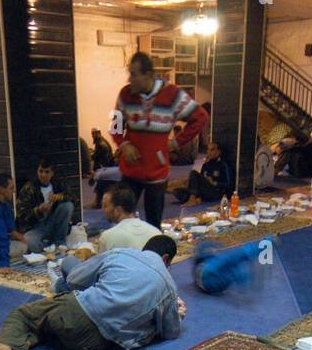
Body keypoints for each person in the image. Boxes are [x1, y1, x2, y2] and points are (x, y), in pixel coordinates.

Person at [0, 236, 184, 350]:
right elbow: (171, 331)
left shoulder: (122, 254)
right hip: (95, 343)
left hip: (77, 312)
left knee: (24, 315)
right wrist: (177, 314)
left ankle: (6, 345)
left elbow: (75, 279)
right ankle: (15, 344)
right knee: (46, 328)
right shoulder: (169, 287)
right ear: (166, 259)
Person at [112, 52, 209, 227]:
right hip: (130, 170)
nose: (129, 79)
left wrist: (176, 142)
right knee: (121, 218)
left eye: (133, 74)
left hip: (157, 173)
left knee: (153, 222)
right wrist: (124, 144)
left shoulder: (173, 95)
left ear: (148, 75)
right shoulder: (125, 95)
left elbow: (201, 117)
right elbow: (115, 126)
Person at [15, 159, 74, 251]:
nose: (43, 175)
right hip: (36, 227)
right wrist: (38, 210)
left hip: (53, 222)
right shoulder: (28, 188)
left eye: (47, 172)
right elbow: (21, 215)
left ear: (52, 173)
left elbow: (73, 199)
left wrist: (60, 197)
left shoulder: (58, 184)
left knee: (67, 206)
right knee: (29, 242)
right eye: (40, 171)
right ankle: (48, 246)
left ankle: (58, 241)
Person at [98, 185, 160, 252]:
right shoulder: (156, 232)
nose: (103, 210)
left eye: (105, 206)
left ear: (118, 210)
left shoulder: (107, 236)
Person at [177, 141, 232, 205]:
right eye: (208, 149)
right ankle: (198, 198)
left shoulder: (222, 165)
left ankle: (192, 199)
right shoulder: (205, 165)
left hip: (215, 192)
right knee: (177, 192)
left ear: (218, 152)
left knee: (193, 172)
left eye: (212, 150)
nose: (209, 152)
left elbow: (227, 184)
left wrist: (214, 183)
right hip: (204, 190)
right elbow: (200, 180)